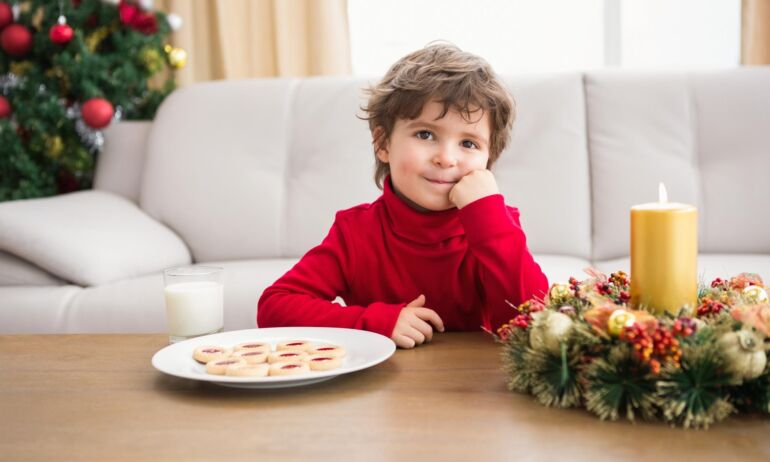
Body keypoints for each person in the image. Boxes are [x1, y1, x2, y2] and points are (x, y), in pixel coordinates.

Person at [257, 43, 548, 348]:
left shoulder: (495, 225)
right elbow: (274, 306)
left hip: (476, 388)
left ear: (489, 160)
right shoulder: (355, 232)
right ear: (383, 145)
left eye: (469, 144)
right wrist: (373, 323)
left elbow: (535, 323)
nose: (446, 158)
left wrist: (488, 217)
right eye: (425, 134)